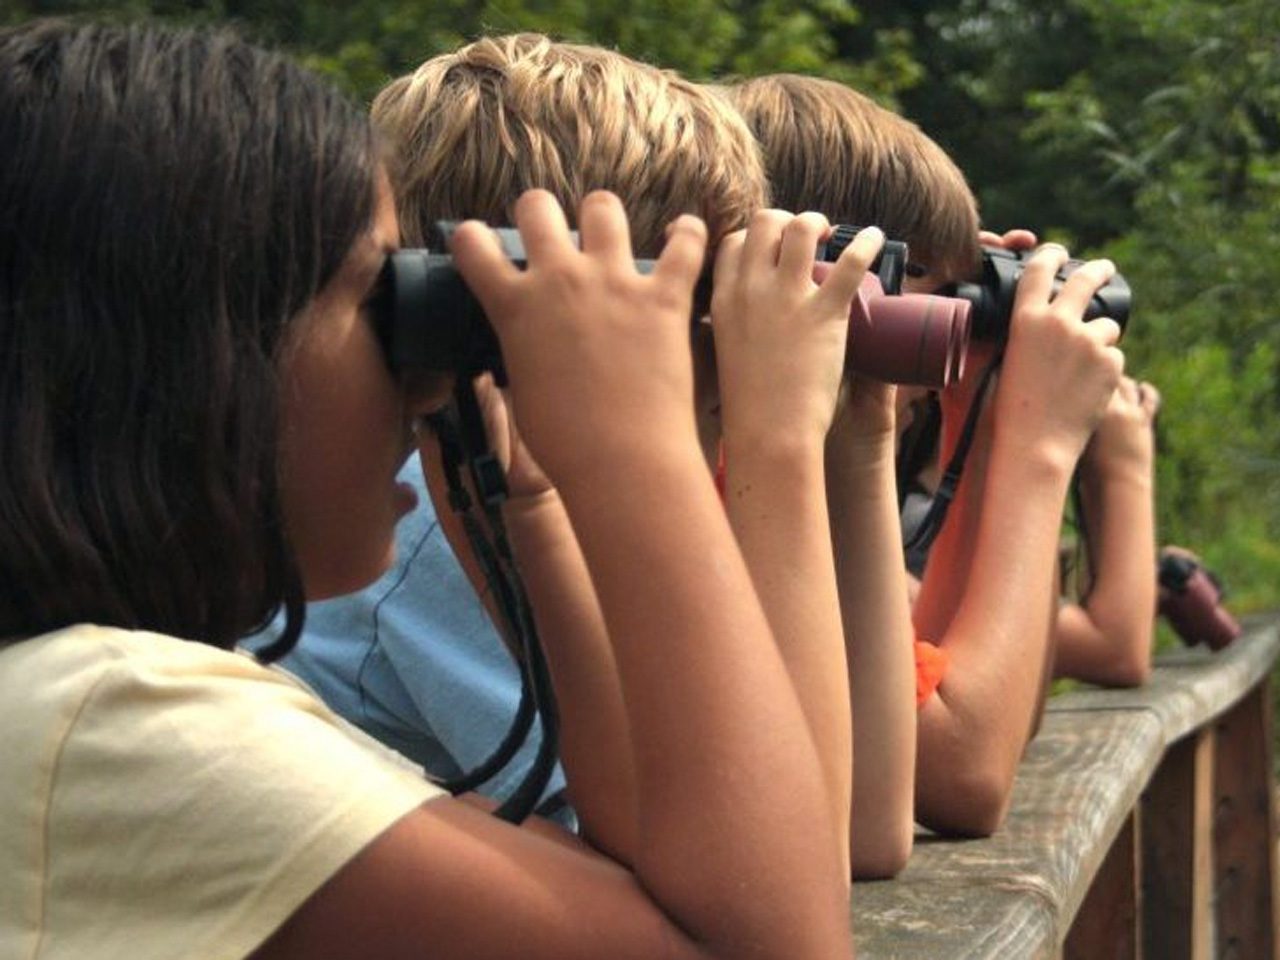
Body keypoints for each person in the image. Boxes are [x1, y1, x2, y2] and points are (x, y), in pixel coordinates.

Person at [0, 20, 860, 959]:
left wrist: (526, 510)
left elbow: (649, 877)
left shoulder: (92, 703)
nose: (429, 382)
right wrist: (701, 446)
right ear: (193, 357)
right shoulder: (117, 719)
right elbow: (776, 939)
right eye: (386, 299)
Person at [727, 73, 1127, 841]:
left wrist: (978, 409)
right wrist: (1037, 449)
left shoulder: (788, 457)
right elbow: (958, 769)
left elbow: (952, 701)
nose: (949, 328)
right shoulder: (734, 466)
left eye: (962, 301)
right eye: (930, 292)